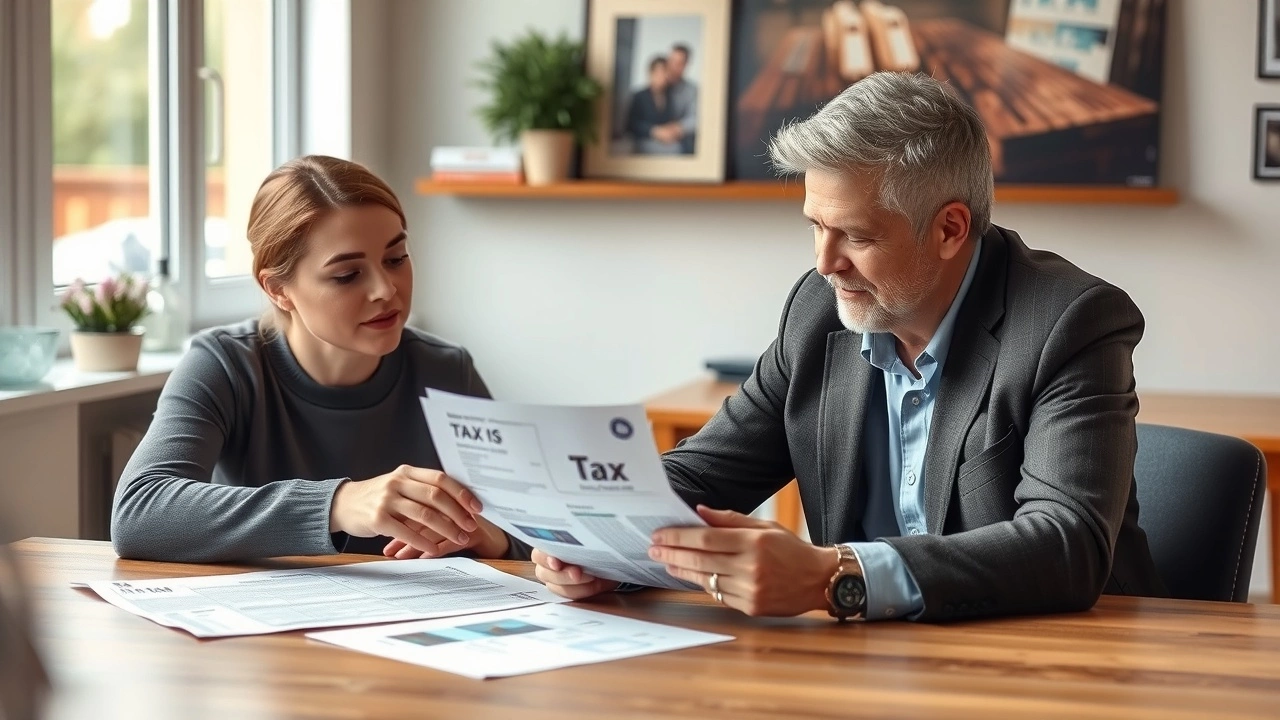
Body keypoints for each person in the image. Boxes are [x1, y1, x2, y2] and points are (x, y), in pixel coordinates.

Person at [533, 72, 1166, 622]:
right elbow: (706, 472)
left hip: (1055, 657)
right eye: (816, 225)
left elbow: (1065, 544)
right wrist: (593, 538)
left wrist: (833, 576)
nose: (825, 263)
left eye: (856, 236)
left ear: (950, 229)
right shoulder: (817, 310)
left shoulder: (1070, 322)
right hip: (863, 662)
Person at [111, 155, 516, 563]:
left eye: (396, 259)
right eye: (347, 275)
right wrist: (339, 504)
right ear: (277, 289)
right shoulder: (225, 365)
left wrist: (492, 540)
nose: (385, 289)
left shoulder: (447, 371)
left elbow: (533, 532)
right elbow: (138, 514)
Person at [625, 56, 680, 155]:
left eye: (665, 72)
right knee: (674, 150)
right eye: (658, 73)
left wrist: (671, 129)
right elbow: (631, 125)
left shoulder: (671, 96)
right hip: (645, 139)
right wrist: (654, 131)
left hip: (666, 141)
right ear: (650, 73)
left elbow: (672, 119)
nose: (662, 77)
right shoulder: (639, 96)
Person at [652, 43, 698, 155]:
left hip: (681, 140)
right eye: (671, 61)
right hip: (655, 138)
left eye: (678, 63)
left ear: (686, 65)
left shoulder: (692, 90)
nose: (673, 67)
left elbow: (696, 118)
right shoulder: (655, 88)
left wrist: (678, 128)